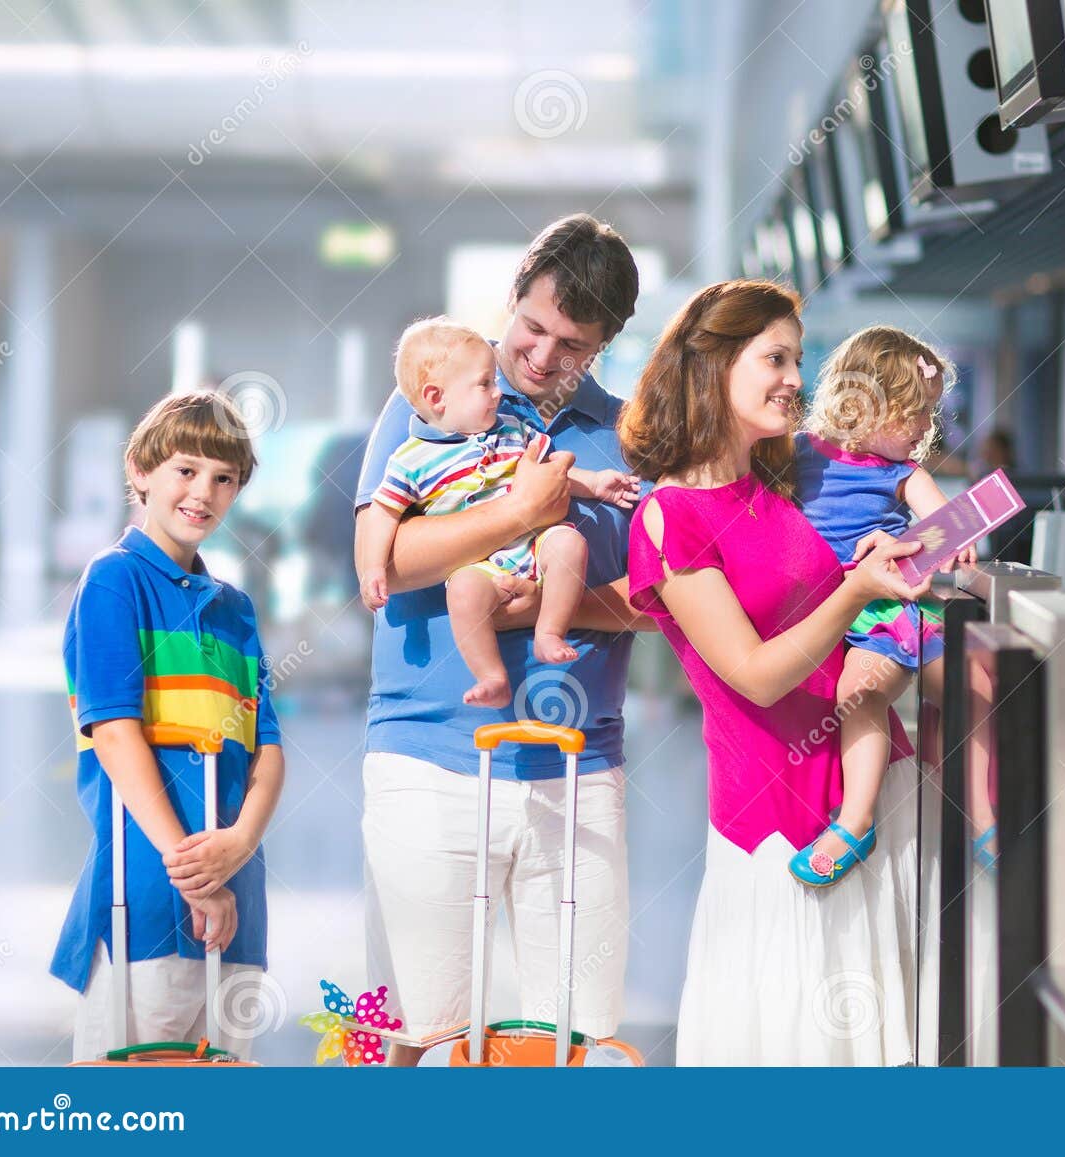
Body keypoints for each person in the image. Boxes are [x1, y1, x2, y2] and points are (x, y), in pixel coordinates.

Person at [353, 214, 650, 1064]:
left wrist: (535, 608)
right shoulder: (439, 395)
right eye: (534, 325)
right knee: (412, 1035)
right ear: (514, 291)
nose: (542, 356)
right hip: (427, 754)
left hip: (579, 764)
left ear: (605, 343)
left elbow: (656, 600)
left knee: (578, 1040)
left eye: (573, 344)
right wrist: (518, 513)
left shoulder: (624, 437)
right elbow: (389, 562)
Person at [618, 280, 929, 1064]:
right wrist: (856, 589)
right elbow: (755, 674)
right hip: (773, 827)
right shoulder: (669, 515)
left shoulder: (778, 486)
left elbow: (837, 627)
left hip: (867, 805)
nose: (796, 376)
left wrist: (882, 571)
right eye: (775, 357)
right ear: (712, 365)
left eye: (798, 357)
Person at [51, 390, 286, 1060]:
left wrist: (238, 845)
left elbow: (266, 749)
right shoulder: (113, 582)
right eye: (186, 469)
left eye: (223, 479)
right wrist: (198, 876)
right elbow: (116, 735)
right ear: (142, 469)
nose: (203, 492)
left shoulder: (234, 609)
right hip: (146, 898)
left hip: (236, 906)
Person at [355, 317, 639, 706]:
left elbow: (552, 472)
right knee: (464, 592)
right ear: (438, 398)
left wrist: (596, 484)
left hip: (534, 546)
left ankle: (549, 632)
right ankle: (491, 676)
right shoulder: (410, 460)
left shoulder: (510, 429)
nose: (496, 393)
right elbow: (385, 513)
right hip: (481, 566)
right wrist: (373, 568)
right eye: (485, 384)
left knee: (570, 543)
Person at [788, 326, 972, 886]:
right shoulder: (796, 455)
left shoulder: (905, 474)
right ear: (868, 405)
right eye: (916, 414)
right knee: (855, 696)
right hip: (826, 612)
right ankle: (862, 818)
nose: (926, 429)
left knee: (875, 694)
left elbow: (957, 530)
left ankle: (866, 821)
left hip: (883, 614)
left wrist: (914, 545)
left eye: (930, 415)